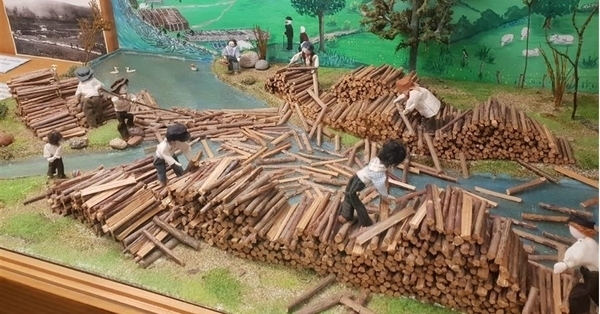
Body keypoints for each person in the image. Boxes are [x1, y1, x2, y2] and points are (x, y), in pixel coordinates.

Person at [338, 139, 407, 228]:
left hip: (358, 179)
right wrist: (385, 194)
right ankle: (352, 217)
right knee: (350, 195)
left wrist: (385, 194)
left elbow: (381, 182)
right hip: (357, 178)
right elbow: (381, 183)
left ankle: (358, 219)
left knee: (352, 197)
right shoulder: (378, 166)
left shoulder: (379, 166)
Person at [554, 215, 599, 314]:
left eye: (571, 227)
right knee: (593, 292)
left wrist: (565, 264)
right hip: (591, 274)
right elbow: (574, 250)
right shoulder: (587, 241)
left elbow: (578, 256)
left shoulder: (587, 244)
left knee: (577, 295)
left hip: (595, 276)